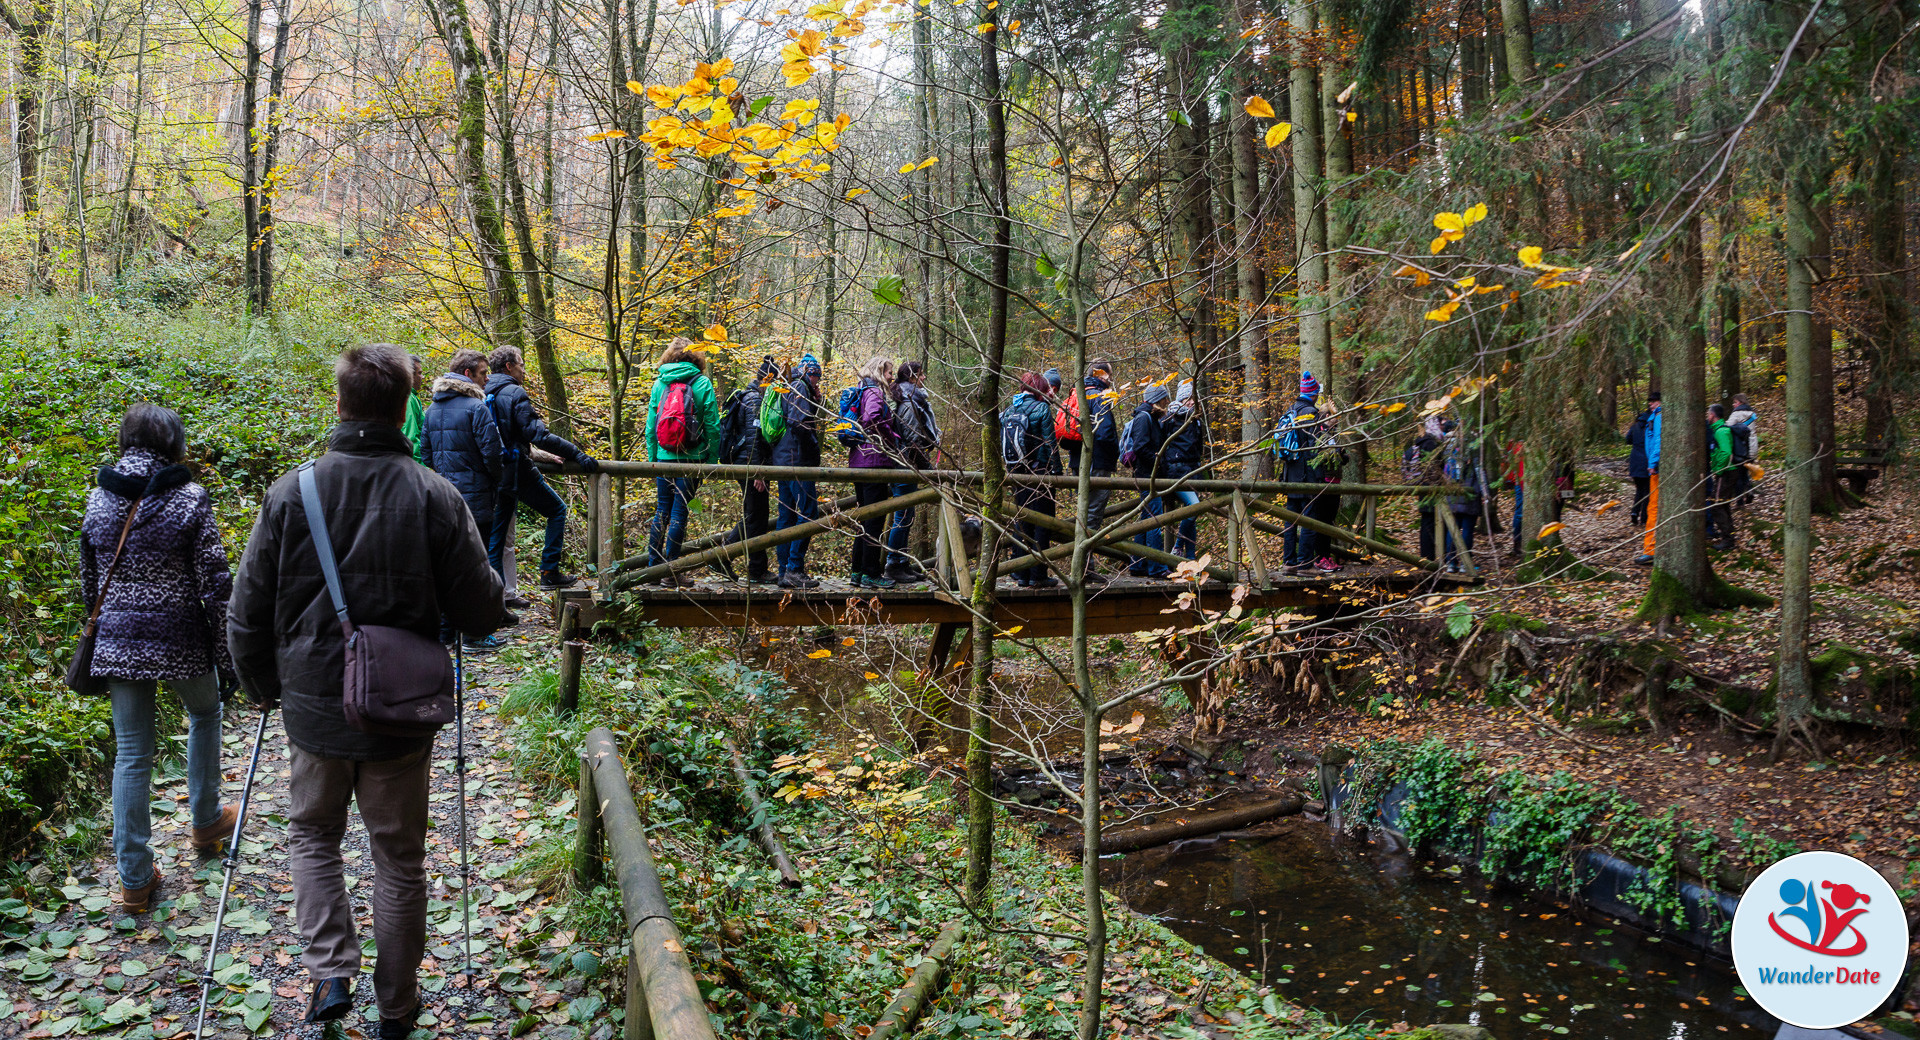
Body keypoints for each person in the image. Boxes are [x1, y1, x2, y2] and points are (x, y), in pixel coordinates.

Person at [227, 343, 503, 1038]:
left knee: (313, 834)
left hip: (314, 707)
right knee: (398, 857)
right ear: (407, 405)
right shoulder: (436, 496)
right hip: (399, 714)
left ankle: (330, 971)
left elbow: (245, 608)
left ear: (341, 404)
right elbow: (480, 610)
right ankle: (397, 1008)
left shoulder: (294, 492)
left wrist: (264, 686)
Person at [81, 404, 235, 914]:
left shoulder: (99, 497)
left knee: (131, 753)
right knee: (206, 712)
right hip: (180, 636)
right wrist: (226, 651)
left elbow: (89, 580)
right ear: (174, 442)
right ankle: (206, 817)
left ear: (126, 440)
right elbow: (214, 581)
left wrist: (103, 629)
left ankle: (134, 877)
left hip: (119, 639)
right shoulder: (189, 497)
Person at [484, 347, 598, 595]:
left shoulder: (482, 390)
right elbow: (538, 434)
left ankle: (495, 596)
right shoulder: (514, 392)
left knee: (497, 536)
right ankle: (548, 572)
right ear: (509, 367)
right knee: (557, 509)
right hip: (516, 469)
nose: (524, 370)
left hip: (492, 472)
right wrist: (576, 454)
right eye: (521, 365)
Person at [416, 349, 509, 649]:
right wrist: (494, 481)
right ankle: (473, 634)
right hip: (477, 500)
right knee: (476, 567)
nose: (487, 379)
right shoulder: (476, 409)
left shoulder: (431, 410)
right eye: (483, 373)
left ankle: (445, 635)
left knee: (446, 567)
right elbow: (493, 454)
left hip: (443, 500)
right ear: (468, 374)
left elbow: (426, 454)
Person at [643, 337, 723, 586]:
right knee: (679, 511)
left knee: (661, 511)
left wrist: (652, 458)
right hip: (692, 458)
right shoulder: (702, 383)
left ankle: (651, 570)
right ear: (696, 357)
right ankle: (672, 571)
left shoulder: (660, 383)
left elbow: (651, 426)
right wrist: (711, 460)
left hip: (664, 458)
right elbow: (712, 426)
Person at [721, 356, 781, 584]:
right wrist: (758, 471)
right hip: (749, 465)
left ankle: (755, 568)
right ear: (769, 379)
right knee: (755, 515)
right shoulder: (756, 399)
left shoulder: (752, 396)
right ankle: (726, 558)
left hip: (746, 463)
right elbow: (754, 436)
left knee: (756, 515)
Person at [1275, 372, 1341, 575]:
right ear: (1313, 394)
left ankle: (1289, 563)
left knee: (1291, 521)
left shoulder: (1292, 411)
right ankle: (1305, 564)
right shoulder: (1311, 414)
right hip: (1307, 476)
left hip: (1290, 475)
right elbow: (1319, 448)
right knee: (1309, 520)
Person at [1000, 371, 1061, 587]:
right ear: (1040, 388)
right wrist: (1058, 473)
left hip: (1016, 473)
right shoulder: (1041, 408)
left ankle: (1021, 573)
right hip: (1039, 474)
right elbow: (1050, 443)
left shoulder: (1009, 409)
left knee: (1021, 521)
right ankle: (1038, 576)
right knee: (1042, 523)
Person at [846, 355, 900, 588]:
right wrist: (892, 439)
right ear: (879, 372)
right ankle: (870, 574)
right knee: (874, 521)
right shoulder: (876, 392)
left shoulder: (861, 390)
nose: (892, 377)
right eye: (889, 372)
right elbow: (873, 418)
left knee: (864, 519)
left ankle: (857, 572)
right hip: (874, 462)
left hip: (859, 461)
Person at [884, 360, 939, 584]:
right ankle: (893, 564)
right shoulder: (907, 402)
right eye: (921, 374)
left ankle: (902, 563)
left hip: (907, 464)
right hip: (904, 465)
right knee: (903, 516)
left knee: (907, 516)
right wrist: (929, 469)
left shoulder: (908, 398)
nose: (924, 378)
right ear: (912, 377)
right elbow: (913, 438)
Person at [774, 355, 826, 589]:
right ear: (807, 372)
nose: (817, 380)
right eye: (815, 375)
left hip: (784, 459)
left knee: (786, 516)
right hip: (797, 460)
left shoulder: (788, 386)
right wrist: (813, 451)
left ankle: (784, 571)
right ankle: (793, 568)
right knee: (808, 512)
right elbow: (799, 424)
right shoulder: (800, 387)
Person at [1122, 383, 1172, 578]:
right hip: (1146, 476)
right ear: (1157, 400)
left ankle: (1137, 564)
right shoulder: (1144, 418)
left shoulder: (1149, 417)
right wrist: (1158, 462)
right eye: (1164, 399)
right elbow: (1141, 447)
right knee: (1153, 519)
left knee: (1146, 518)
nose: (1167, 402)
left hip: (1148, 474)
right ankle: (1156, 566)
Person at [1160, 380, 1206, 560]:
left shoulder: (1196, 421)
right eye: (1189, 398)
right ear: (1181, 398)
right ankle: (1178, 547)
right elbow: (1160, 447)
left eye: (1194, 398)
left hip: (1193, 472)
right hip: (1175, 473)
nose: (1193, 402)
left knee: (1191, 514)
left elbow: (1198, 448)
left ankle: (1190, 559)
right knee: (1194, 508)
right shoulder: (1168, 419)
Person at [1403, 415, 1449, 562]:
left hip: (1425, 487)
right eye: (1441, 424)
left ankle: (1428, 556)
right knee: (1429, 522)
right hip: (1430, 488)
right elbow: (1432, 467)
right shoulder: (1430, 443)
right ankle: (1429, 557)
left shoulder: (1423, 441)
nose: (1443, 427)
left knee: (1428, 522)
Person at [1443, 425, 1484, 574]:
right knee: (1467, 530)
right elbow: (1480, 473)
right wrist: (1485, 493)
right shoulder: (1474, 450)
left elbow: (1445, 472)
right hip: (1469, 496)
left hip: (1452, 496)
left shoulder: (1449, 450)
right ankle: (1465, 563)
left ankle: (1451, 563)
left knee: (1452, 530)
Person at [1634, 391, 1663, 566]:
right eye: (1650, 401)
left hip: (1657, 468)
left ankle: (1650, 550)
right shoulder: (1655, 416)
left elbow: (1659, 439)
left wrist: (1653, 462)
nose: (1651, 404)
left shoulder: (1659, 416)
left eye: (1654, 401)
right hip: (1656, 465)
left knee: (1653, 508)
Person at [1706, 403, 1736, 550]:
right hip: (1727, 471)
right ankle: (1729, 536)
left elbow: (1725, 452)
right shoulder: (1719, 429)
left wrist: (1718, 470)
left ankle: (1728, 539)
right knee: (1722, 504)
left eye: (1708, 414)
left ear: (1713, 415)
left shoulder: (1720, 431)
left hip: (1726, 472)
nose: (1707, 416)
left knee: (1716, 505)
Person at [1624, 397, 1654, 527]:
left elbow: (1627, 440)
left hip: (1635, 462)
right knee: (1647, 491)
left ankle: (1634, 513)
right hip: (1646, 461)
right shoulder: (1650, 426)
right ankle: (1644, 518)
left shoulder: (1635, 426)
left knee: (1639, 490)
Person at [1727, 393, 1759, 508]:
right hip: (1752, 448)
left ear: (1740, 403)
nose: (1733, 404)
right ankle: (1749, 489)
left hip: (1740, 449)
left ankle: (1740, 501)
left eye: (1735, 402)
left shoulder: (1736, 414)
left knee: (1739, 474)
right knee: (1745, 472)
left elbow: (1727, 427)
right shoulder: (1752, 414)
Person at [400, 355, 427, 459]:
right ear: (409, 376)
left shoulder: (411, 397)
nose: (422, 377)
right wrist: (422, 469)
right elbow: (410, 437)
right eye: (419, 373)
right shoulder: (408, 399)